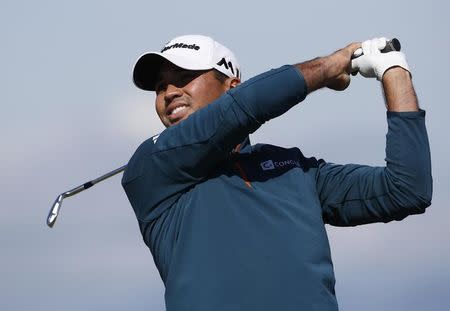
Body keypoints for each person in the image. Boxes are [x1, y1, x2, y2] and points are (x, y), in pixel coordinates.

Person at [122, 34, 432, 311]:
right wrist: (326, 68)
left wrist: (393, 70)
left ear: (231, 87)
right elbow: (244, 108)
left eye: (184, 77)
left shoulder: (293, 169)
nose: (169, 92)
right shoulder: (150, 167)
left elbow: (405, 189)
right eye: (161, 86)